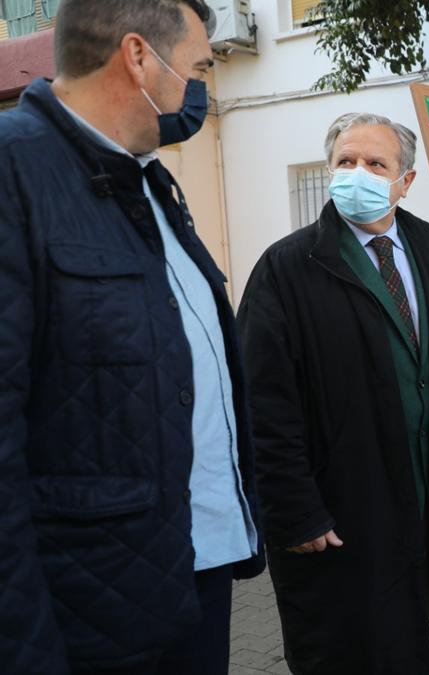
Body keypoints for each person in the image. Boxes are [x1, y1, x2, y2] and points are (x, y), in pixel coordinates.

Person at [0, 1, 264, 673]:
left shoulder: (147, 181)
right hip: (91, 615)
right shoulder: (13, 171)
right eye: (197, 69)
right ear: (139, 57)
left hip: (191, 569)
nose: (199, 90)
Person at [238, 112, 429, 674]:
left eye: (376, 163)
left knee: (409, 634)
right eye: (345, 161)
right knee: (347, 644)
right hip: (340, 508)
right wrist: (293, 510)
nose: (358, 173)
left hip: (423, 494)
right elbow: (261, 401)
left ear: (406, 181)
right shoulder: (287, 267)